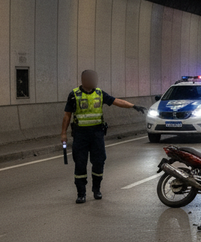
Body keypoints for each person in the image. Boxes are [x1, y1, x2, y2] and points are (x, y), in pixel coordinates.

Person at [60, 70, 147, 203]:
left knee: (99, 162)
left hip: (97, 134)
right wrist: (63, 133)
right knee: (80, 164)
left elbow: (116, 101)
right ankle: (81, 193)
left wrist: (133, 106)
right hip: (80, 135)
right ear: (84, 80)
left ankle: (96, 189)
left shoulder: (100, 93)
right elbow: (67, 115)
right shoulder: (74, 95)